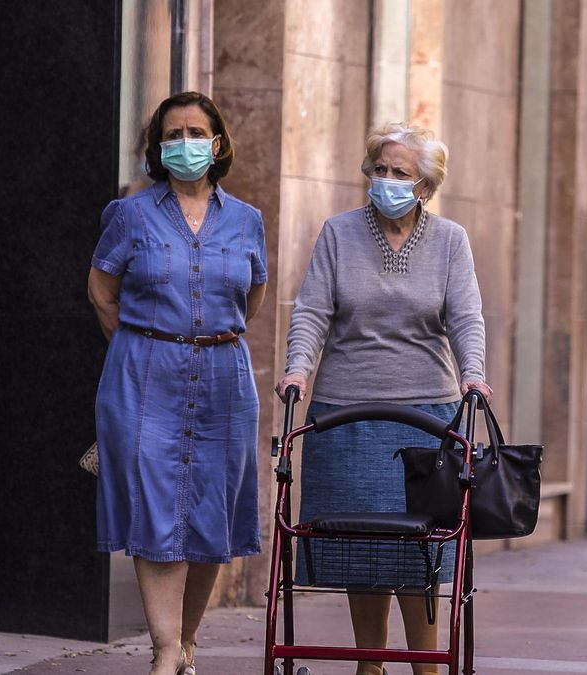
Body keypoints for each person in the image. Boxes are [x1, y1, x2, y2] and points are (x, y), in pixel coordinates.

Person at [275, 122, 488, 675]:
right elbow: (312, 310)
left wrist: (474, 374)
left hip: (426, 416)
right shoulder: (339, 233)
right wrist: (298, 369)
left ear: (425, 186)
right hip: (345, 415)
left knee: (421, 549)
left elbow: (466, 316)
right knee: (359, 542)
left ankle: (427, 667)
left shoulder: (450, 240)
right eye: (380, 169)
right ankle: (370, 663)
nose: (386, 180)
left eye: (401, 173)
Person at [88, 91, 268, 675]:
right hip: (146, 377)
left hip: (223, 378)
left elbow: (254, 293)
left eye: (196, 132)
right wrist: (141, 347)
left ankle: (187, 641)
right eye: (173, 134)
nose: (184, 143)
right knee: (155, 505)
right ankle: (165, 651)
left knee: (211, 512)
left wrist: (210, 338)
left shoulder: (247, 220)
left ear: (217, 144)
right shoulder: (132, 214)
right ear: (157, 147)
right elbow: (101, 289)